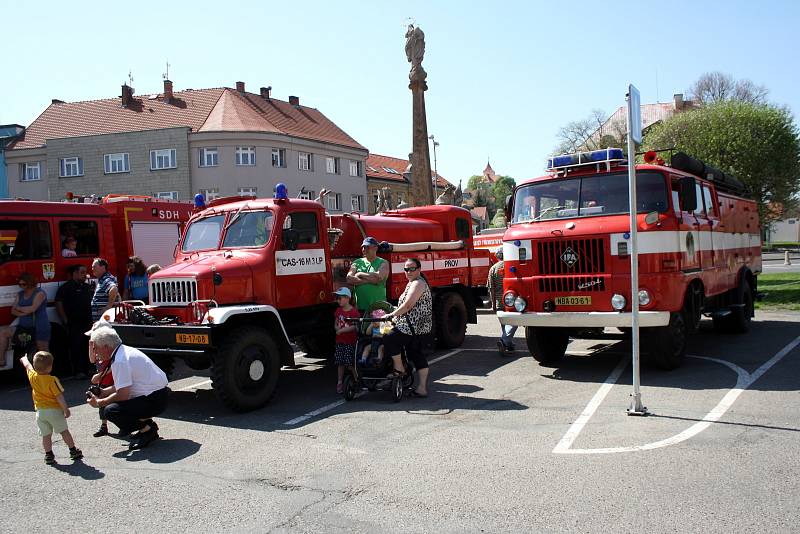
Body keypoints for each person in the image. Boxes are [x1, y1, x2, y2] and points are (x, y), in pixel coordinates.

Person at [86, 326, 169, 449]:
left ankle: (147, 431)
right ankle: (147, 425)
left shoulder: (120, 360)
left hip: (155, 400)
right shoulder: (123, 352)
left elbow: (123, 394)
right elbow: (124, 384)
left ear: (106, 347)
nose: (95, 352)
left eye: (95, 348)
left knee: (110, 411)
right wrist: (104, 392)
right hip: (159, 396)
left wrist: (100, 402)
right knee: (115, 405)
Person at [382, 258, 433, 398]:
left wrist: (391, 315)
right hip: (408, 324)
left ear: (419, 269)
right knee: (415, 354)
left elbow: (408, 305)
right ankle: (420, 387)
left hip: (414, 326)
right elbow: (403, 305)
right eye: (406, 269)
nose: (408, 272)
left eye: (411, 269)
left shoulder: (418, 283)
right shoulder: (411, 283)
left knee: (389, 336)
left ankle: (399, 368)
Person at [20, 351, 82, 465]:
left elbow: (27, 366)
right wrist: (65, 409)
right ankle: (73, 450)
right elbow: (59, 396)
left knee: (46, 435)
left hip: (40, 412)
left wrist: (24, 359)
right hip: (53, 410)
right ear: (50, 367)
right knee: (64, 431)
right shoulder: (52, 380)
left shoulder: (33, 376)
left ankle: (48, 454)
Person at [0, 272, 51, 363]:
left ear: (30, 282)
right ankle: (1, 360)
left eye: (23, 284)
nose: (21, 286)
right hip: (23, 328)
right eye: (19, 284)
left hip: (39, 327)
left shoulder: (40, 293)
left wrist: (19, 309)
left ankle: (47, 373)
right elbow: (13, 311)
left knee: (43, 352)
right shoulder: (20, 294)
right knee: (3, 332)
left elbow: (32, 308)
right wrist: (24, 312)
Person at [55, 265, 93, 377]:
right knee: (76, 346)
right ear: (74, 274)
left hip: (88, 321)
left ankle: (90, 369)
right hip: (74, 322)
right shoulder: (65, 288)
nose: (85, 275)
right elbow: (58, 303)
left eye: (85, 272)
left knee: (89, 345)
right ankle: (78, 371)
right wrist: (64, 319)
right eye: (82, 272)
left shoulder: (88, 287)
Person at [86, 320, 115, 437]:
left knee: (118, 401)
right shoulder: (96, 348)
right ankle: (104, 426)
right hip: (102, 382)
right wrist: (91, 345)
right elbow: (92, 360)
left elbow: (114, 365)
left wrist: (100, 375)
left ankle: (127, 425)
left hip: (112, 380)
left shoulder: (110, 348)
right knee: (101, 404)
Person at [346, 237, 389, 312]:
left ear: (375, 248)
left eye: (367, 247)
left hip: (378, 308)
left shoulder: (383, 262)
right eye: (363, 247)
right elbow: (349, 279)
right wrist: (371, 279)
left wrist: (360, 273)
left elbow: (378, 278)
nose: (364, 250)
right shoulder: (357, 262)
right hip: (360, 307)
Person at [490, 252, 518, 356]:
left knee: (504, 324)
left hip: (499, 301)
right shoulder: (510, 266)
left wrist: (493, 303)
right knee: (514, 321)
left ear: (497, 257)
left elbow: (491, 288)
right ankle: (504, 341)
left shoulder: (493, 269)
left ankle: (508, 346)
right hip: (511, 299)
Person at [332, 287, 359, 394]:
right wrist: (337, 328)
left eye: (340, 298)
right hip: (340, 341)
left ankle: (357, 380)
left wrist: (342, 330)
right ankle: (339, 382)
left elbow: (354, 326)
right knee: (340, 363)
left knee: (350, 364)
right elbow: (335, 322)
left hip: (349, 341)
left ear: (347, 298)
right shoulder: (338, 311)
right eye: (337, 298)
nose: (338, 300)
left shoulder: (353, 312)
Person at [90, 258, 119, 322]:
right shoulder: (104, 278)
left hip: (105, 321)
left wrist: (108, 306)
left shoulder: (106, 278)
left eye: (94, 267)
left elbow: (114, 289)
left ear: (103, 267)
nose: (92, 269)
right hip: (103, 320)